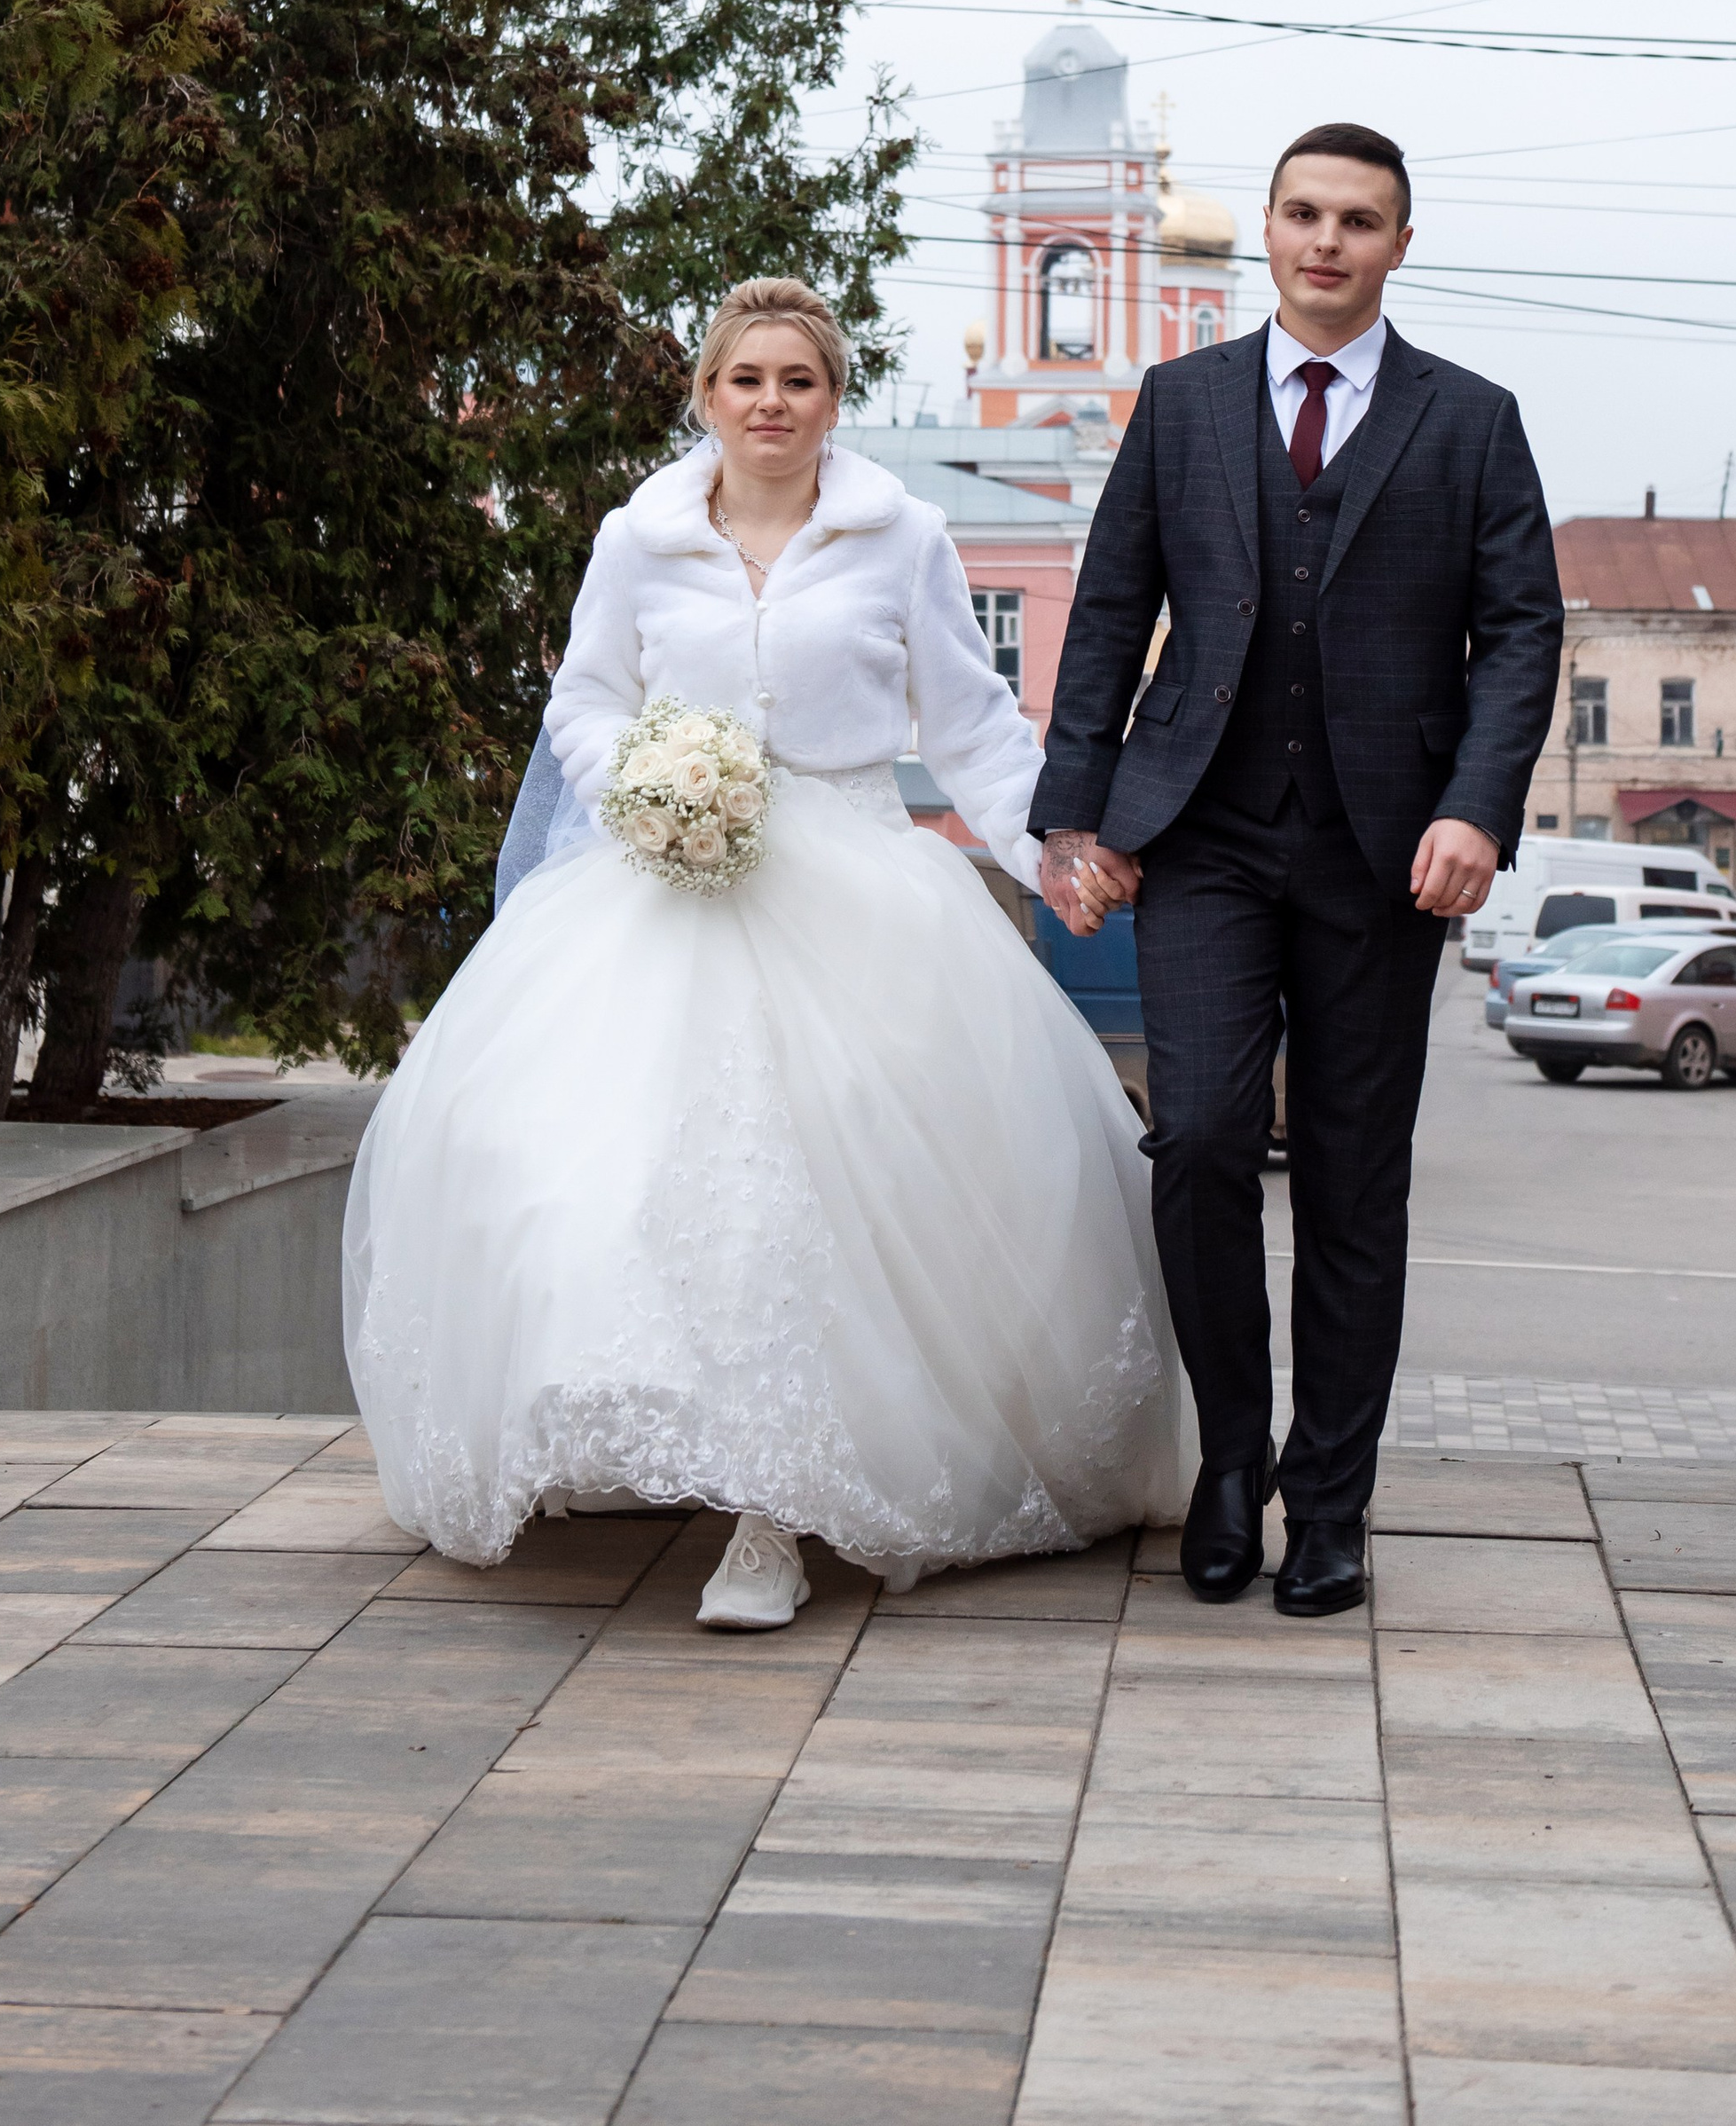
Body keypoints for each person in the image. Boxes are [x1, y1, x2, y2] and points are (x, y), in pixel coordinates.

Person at [344, 274, 1192, 1628]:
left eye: (799, 381)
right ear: (708, 394)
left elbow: (969, 722)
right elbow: (584, 700)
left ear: (834, 398)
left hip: (852, 886)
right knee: (605, 1174)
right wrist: (645, 789)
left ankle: (771, 1518)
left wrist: (1049, 855)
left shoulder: (897, 533)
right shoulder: (641, 535)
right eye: (748, 379)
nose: (772, 403)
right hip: (661, 897)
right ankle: (642, 1426)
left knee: (812, 1196)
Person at [1032, 123, 1561, 1617]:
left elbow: (1522, 633)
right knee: (1197, 1139)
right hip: (1200, 830)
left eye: (1361, 220)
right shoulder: (1183, 403)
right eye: (1305, 213)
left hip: (1390, 854)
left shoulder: (1472, 419)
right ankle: (1227, 1460)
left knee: (1348, 1180)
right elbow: (1110, 605)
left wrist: (1479, 806)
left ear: (1401, 242)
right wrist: (1077, 813)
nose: (1328, 240)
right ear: (1266, 229)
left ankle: (1332, 1501)